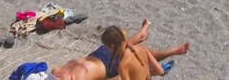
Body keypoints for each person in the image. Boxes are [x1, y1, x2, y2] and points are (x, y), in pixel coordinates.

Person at [50, 22, 188, 80]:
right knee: (130, 45)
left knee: (131, 48)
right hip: (98, 55)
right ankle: (144, 31)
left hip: (106, 64)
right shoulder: (59, 71)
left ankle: (146, 33)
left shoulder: (63, 73)